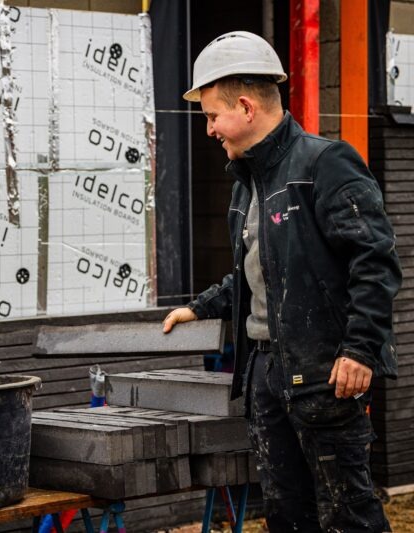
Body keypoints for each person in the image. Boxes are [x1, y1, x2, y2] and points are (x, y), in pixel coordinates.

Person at [163, 31, 400, 531]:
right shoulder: (247, 183)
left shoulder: (324, 164)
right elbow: (261, 271)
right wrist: (201, 307)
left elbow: (375, 262)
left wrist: (360, 350)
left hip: (325, 374)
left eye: (212, 116)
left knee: (348, 515)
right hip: (266, 375)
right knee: (287, 515)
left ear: (246, 107)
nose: (209, 129)